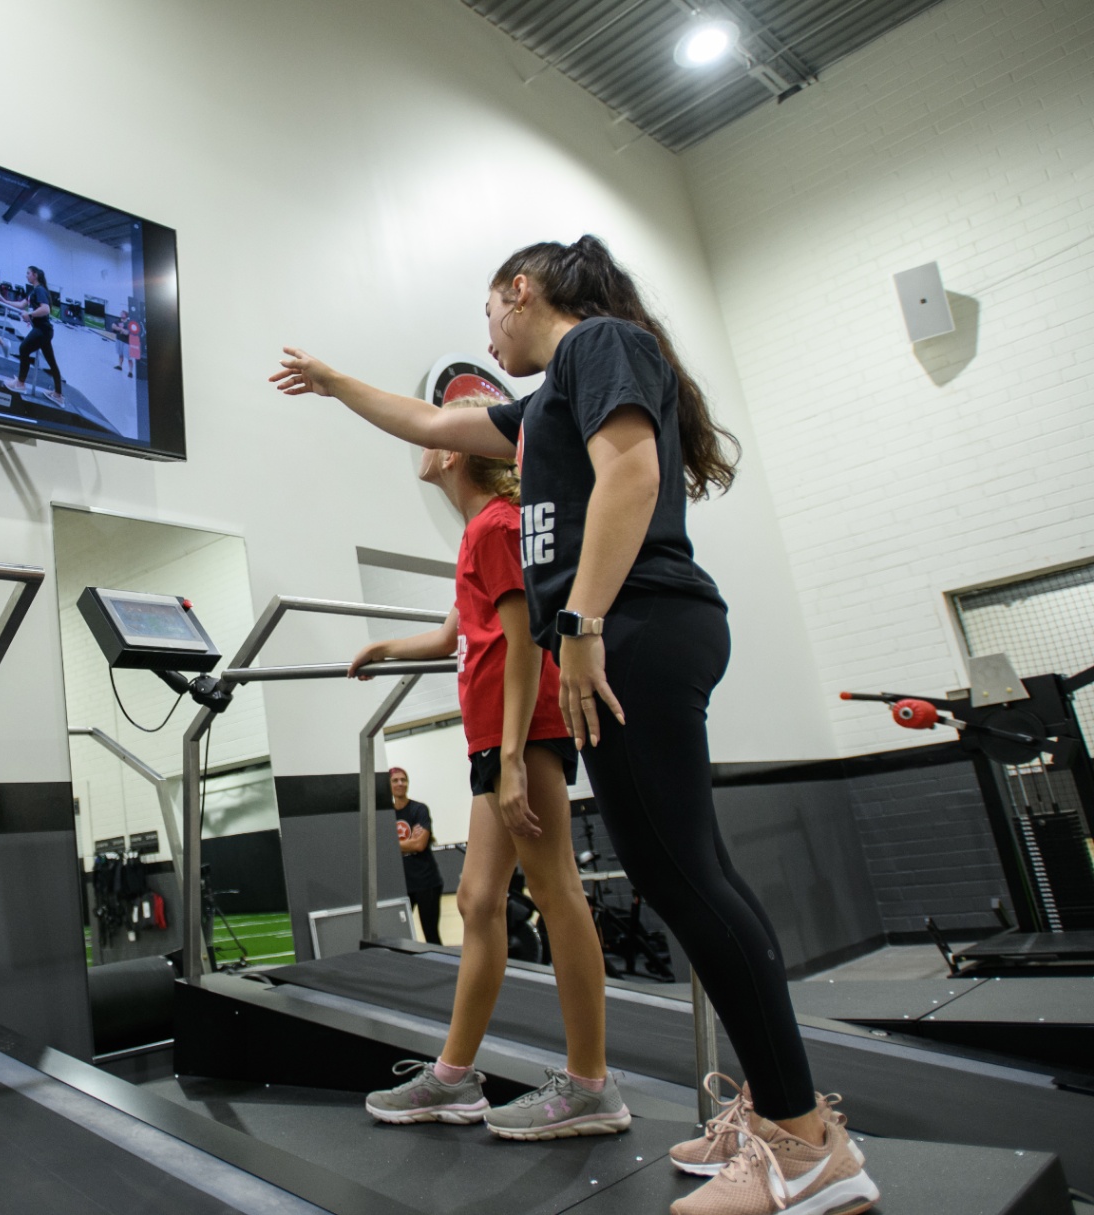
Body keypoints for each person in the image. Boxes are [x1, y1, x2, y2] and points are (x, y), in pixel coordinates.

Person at [272, 235, 872, 1215]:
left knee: (684, 880)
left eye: (489, 312)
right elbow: (431, 419)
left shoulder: (597, 345)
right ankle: (783, 1116)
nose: (490, 333)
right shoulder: (546, 400)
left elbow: (631, 473)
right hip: (629, 626)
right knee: (693, 876)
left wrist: (582, 625)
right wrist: (336, 381)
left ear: (519, 292)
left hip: (635, 624)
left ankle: (802, 1147)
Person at [346, 408, 624, 1141]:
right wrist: (384, 648)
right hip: (493, 737)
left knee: (555, 888)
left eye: (437, 435)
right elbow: (454, 635)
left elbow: (527, 640)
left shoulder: (499, 524)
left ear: (454, 456)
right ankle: (454, 1076)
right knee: (475, 898)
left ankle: (592, 1083)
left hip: (520, 733)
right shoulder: (482, 530)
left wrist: (506, 758)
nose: (424, 443)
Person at [387, 768, 444, 946]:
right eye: (395, 780)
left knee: (431, 934)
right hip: (403, 884)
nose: (400, 784)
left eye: (403, 780)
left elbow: (419, 845)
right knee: (400, 935)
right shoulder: (386, 815)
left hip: (427, 883)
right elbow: (381, 847)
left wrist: (392, 844)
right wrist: (406, 842)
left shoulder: (419, 809)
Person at [5, 265, 64, 405]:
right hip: (43, 331)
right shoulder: (33, 291)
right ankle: (58, 394)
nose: (26, 275)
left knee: (23, 349)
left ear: (35, 275)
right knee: (51, 362)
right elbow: (21, 304)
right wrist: (4, 301)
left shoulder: (40, 290)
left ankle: (20, 383)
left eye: (28, 273)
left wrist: (29, 314)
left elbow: (46, 309)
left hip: (43, 330)